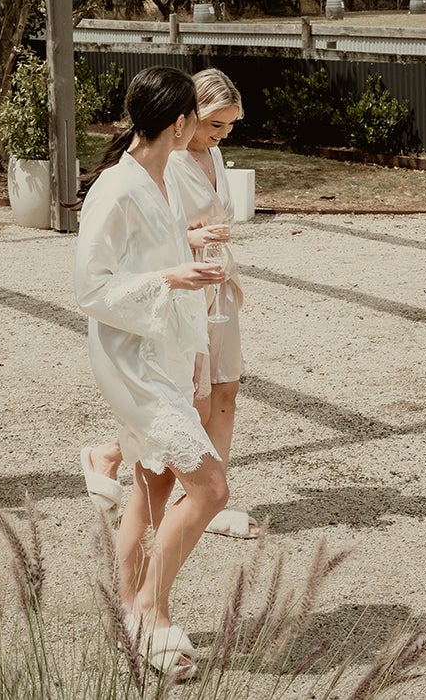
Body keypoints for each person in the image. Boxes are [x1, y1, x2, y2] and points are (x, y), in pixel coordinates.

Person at [75, 66, 229, 683]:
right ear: (178, 123)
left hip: (161, 356)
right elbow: (91, 288)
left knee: (150, 489)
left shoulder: (157, 177)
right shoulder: (115, 188)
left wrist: (187, 243)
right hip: (134, 365)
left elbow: (147, 250)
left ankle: (128, 618)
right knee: (212, 487)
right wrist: (172, 277)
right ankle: (150, 609)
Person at [81, 69, 260, 539]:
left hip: (209, 283)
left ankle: (203, 501)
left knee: (224, 388)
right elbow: (116, 269)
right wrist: (183, 260)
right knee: (187, 408)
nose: (221, 136)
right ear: (184, 119)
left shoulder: (205, 158)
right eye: (214, 124)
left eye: (229, 126)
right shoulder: (150, 171)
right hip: (174, 298)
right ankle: (188, 493)